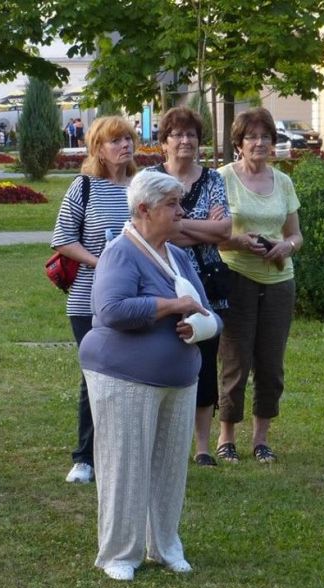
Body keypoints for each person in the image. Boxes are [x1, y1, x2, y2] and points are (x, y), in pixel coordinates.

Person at [79, 169, 221, 581]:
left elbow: (206, 309)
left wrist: (201, 326)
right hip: (124, 378)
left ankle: (165, 545)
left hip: (179, 379)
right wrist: (171, 307)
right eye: (172, 205)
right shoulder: (120, 252)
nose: (182, 211)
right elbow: (111, 310)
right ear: (143, 209)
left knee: (169, 468)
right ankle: (119, 553)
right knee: (125, 466)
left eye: (181, 202)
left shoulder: (177, 255)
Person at [215, 108, 302, 465]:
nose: (259, 143)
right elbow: (213, 235)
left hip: (280, 281)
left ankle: (261, 439)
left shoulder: (283, 182)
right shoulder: (221, 179)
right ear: (238, 143)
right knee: (235, 360)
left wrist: (287, 246)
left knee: (270, 363)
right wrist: (239, 241)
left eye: (265, 136)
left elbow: (296, 233)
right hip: (237, 278)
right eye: (251, 137)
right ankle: (226, 437)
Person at [51, 116, 135, 484]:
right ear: (98, 149)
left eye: (128, 139)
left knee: (133, 374)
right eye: (115, 141)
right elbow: (62, 239)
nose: (125, 146)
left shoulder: (141, 186)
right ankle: (85, 457)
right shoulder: (84, 187)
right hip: (90, 298)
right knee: (95, 375)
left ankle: (125, 453)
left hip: (135, 296)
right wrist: (101, 262)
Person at [146, 106, 231, 466]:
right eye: (177, 135)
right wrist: (200, 228)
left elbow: (224, 231)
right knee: (160, 356)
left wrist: (177, 228)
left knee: (205, 362)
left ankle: (202, 447)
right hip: (160, 279)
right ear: (164, 142)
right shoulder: (149, 179)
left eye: (192, 135)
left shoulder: (213, 180)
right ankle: (163, 443)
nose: (185, 141)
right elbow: (147, 231)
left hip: (206, 283)